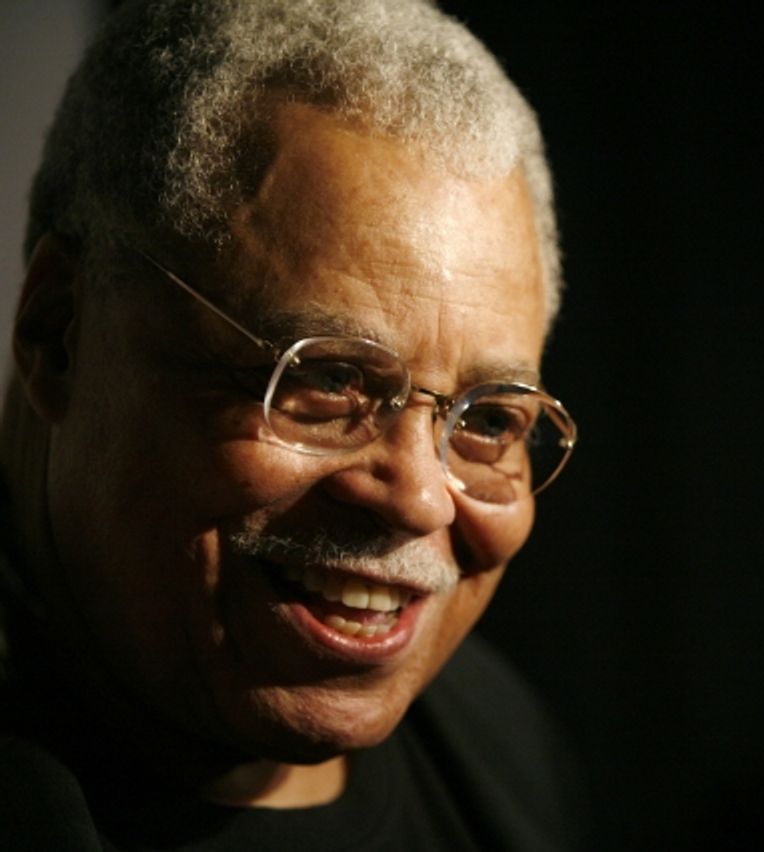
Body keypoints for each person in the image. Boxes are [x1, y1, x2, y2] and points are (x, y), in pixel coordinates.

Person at [0, 1, 583, 848]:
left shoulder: (504, 750)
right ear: (61, 335)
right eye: (329, 380)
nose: (420, 499)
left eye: (489, 419)